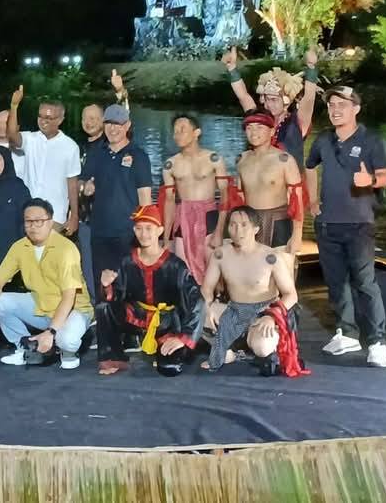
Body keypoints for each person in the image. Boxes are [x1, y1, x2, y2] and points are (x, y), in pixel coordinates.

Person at [304, 85, 386, 368]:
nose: (335, 110)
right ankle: (347, 333)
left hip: (359, 223)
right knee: (336, 282)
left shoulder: (372, 140)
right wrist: (312, 200)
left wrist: (371, 182)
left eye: (342, 104)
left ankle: (377, 342)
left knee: (365, 282)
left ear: (356, 109)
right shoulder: (323, 139)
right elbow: (309, 166)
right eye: (331, 105)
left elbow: (384, 176)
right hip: (328, 223)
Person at [0, 198, 94, 370]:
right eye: (28, 221)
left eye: (39, 221)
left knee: (67, 340)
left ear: (50, 222)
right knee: (1, 301)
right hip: (42, 305)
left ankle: (67, 352)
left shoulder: (66, 248)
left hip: (74, 309)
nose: (33, 226)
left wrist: (51, 332)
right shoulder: (19, 247)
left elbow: (69, 297)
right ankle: (25, 348)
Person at [94, 204, 204, 376]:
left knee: (169, 368)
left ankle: (167, 348)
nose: (143, 234)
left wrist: (184, 338)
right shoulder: (128, 261)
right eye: (139, 228)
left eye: (149, 228)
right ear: (134, 230)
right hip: (137, 317)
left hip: (166, 323)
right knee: (104, 307)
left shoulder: (175, 265)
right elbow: (117, 296)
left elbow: (197, 300)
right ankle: (113, 357)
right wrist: (107, 285)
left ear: (160, 230)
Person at [200, 206, 306, 377]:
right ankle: (229, 351)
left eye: (244, 225)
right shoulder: (220, 255)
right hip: (234, 310)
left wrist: (272, 316)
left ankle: (263, 347)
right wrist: (207, 306)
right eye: (233, 225)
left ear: (256, 229)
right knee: (200, 313)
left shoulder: (271, 257)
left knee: (262, 348)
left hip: (264, 311)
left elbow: (291, 294)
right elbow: (206, 289)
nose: (238, 230)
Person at [79, 104, 153, 280]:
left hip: (128, 233)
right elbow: (81, 182)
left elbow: (145, 199)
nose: (112, 129)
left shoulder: (139, 156)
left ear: (127, 126)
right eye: (109, 123)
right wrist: (84, 187)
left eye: (118, 124)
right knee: (101, 284)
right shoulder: (96, 154)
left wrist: (145, 232)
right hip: (99, 231)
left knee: (128, 282)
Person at [160, 115, 227, 286]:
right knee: (183, 272)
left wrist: (220, 230)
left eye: (182, 130)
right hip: (183, 216)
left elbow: (225, 195)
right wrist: (166, 238)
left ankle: (216, 299)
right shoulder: (170, 164)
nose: (177, 135)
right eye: (175, 131)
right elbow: (169, 201)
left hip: (208, 215)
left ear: (196, 132)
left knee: (214, 271)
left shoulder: (213, 158)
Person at [222, 46, 320, 158]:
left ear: (286, 101)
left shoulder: (298, 122)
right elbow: (243, 96)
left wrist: (311, 68)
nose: (269, 104)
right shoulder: (260, 117)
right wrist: (232, 69)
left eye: (274, 100)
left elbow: (309, 98)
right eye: (267, 99)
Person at [5, 87, 81, 231]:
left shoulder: (70, 147)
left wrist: (74, 216)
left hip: (54, 217)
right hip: (27, 213)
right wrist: (14, 106)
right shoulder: (31, 139)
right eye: (40, 116)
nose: (43, 121)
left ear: (60, 120)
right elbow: (12, 135)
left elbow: (72, 184)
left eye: (49, 118)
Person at [233, 110, 304, 252]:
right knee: (249, 264)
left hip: (278, 221)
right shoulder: (241, 159)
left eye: (259, 127)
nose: (254, 132)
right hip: (249, 222)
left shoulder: (284, 160)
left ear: (271, 131)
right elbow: (238, 198)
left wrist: (297, 235)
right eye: (249, 127)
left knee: (279, 264)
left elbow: (297, 199)